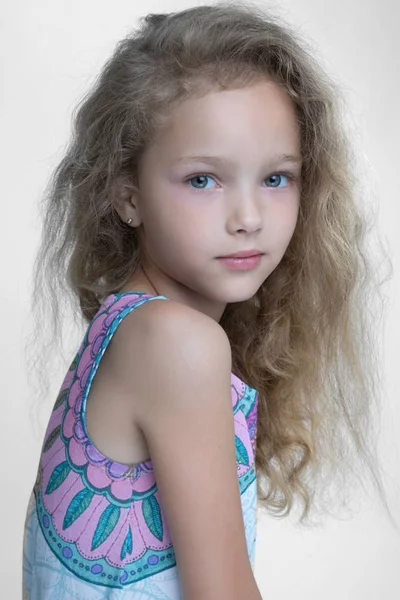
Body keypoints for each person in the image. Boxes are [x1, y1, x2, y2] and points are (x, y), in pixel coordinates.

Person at [22, 1, 395, 598]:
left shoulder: (137, 328)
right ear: (127, 196)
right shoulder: (176, 342)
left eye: (276, 178)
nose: (248, 218)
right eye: (203, 179)